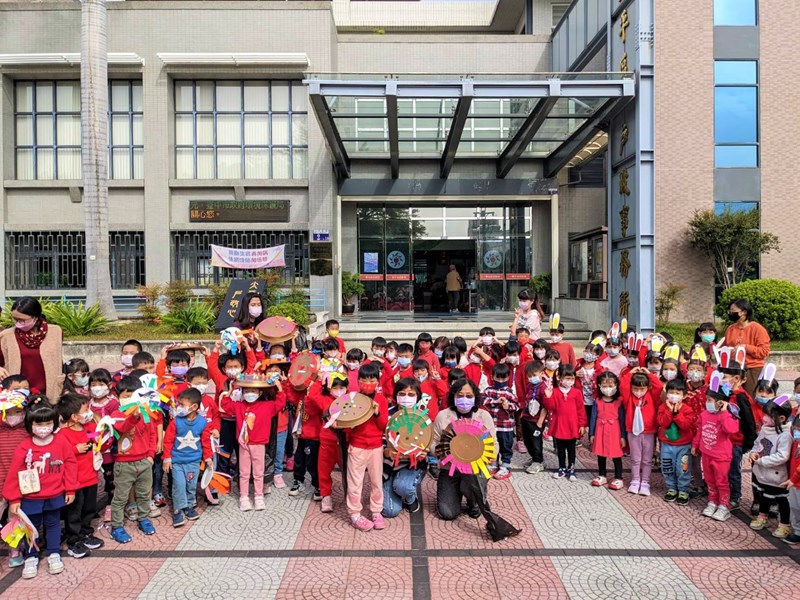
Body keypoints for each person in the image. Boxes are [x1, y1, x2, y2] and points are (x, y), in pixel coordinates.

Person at [432, 379, 520, 542]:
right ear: (453, 397)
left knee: (475, 509)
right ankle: (457, 492)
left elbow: (493, 442)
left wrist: (488, 457)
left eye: (468, 396)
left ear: (475, 397)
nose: (464, 399)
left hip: (476, 469)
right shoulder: (443, 416)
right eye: (460, 395)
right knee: (448, 513)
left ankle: (473, 500)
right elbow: (433, 443)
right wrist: (442, 452)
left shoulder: (483, 415)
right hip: (449, 469)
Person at [3, 397, 77, 579]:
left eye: (48, 423)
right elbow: (14, 473)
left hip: (54, 494)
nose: (43, 427)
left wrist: (70, 489)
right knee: (31, 527)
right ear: (30, 425)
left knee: (53, 524)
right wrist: (14, 499)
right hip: (30, 498)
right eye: (39, 424)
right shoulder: (24, 446)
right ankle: (31, 556)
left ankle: (54, 553)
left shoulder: (61, 442)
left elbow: (70, 464)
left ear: (54, 423)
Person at [221, 375, 286, 512]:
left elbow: (280, 403)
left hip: (259, 443)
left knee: (258, 471)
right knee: (244, 472)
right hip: (244, 444)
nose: (250, 394)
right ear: (242, 393)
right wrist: (231, 390)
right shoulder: (239, 406)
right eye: (246, 391)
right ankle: (243, 497)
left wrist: (279, 388)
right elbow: (225, 404)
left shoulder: (267, 406)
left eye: (254, 391)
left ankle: (258, 496)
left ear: (260, 393)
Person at [109, 379, 159, 543]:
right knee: (121, 497)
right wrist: (134, 416)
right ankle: (117, 526)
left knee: (144, 494)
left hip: (144, 461)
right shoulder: (117, 415)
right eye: (127, 395)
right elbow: (122, 428)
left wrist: (151, 455)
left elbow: (153, 435)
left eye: (134, 395)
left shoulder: (147, 413)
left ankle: (144, 518)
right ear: (119, 397)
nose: (131, 399)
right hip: (124, 463)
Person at [57, 393, 103, 558]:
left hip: (91, 476)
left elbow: (95, 440)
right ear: (74, 417)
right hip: (74, 481)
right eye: (86, 410)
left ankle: (86, 533)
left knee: (89, 508)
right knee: (74, 512)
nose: (89, 413)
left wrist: (99, 439)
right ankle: (73, 540)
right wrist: (75, 449)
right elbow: (60, 455)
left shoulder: (89, 427)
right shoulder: (62, 434)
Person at [346, 363, 388, 532]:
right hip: (357, 447)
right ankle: (355, 513)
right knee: (355, 482)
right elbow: (348, 424)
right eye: (364, 379)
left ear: (378, 381)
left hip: (376, 447)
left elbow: (384, 425)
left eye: (372, 379)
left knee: (376, 481)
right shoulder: (353, 398)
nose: (368, 383)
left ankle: (376, 511)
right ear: (358, 380)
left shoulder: (381, 400)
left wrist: (377, 413)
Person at [162, 388, 213, 527]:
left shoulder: (203, 423)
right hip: (177, 462)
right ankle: (178, 509)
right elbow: (167, 441)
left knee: (191, 485)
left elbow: (206, 442)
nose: (179, 408)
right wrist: (167, 458)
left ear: (194, 407)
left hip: (194, 462)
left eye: (182, 405)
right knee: (179, 485)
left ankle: (189, 505)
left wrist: (208, 458)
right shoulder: (176, 422)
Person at [0, 297, 64, 402]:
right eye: (15, 319)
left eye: (22, 320)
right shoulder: (6, 336)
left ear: (36, 317)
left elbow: (58, 360)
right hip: (18, 395)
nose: (18, 323)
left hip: (50, 393)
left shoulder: (56, 332)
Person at [693, 383, 740, 522]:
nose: (707, 403)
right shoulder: (704, 414)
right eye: (706, 399)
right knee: (710, 480)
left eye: (710, 400)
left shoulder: (729, 416)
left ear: (720, 403)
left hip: (721, 456)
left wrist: (725, 411)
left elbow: (730, 430)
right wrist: (695, 445)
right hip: (706, 453)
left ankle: (723, 506)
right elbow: (699, 431)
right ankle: (712, 501)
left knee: (721, 481)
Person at [382, 378, 428, 517]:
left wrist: (425, 452)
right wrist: (387, 452)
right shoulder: (387, 414)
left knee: (403, 487)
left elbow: (428, 443)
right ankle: (392, 488)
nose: (406, 398)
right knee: (390, 511)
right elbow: (379, 441)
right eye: (402, 394)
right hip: (388, 467)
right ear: (396, 395)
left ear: (418, 397)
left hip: (411, 466)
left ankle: (410, 498)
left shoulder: (423, 416)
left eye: (411, 394)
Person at [749, 397, 793, 538]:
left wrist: (762, 460)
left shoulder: (785, 435)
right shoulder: (765, 429)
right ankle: (763, 517)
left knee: (781, 499)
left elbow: (782, 456)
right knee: (763, 495)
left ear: (781, 418)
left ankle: (784, 525)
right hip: (762, 472)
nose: (765, 418)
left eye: (769, 415)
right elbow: (757, 443)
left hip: (777, 475)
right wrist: (754, 453)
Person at [621, 366, 663, 496]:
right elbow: (623, 386)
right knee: (635, 458)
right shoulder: (629, 398)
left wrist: (649, 374)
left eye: (642, 389)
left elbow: (659, 387)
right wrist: (630, 373)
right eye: (635, 388)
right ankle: (635, 480)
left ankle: (645, 482)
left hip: (649, 431)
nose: (639, 391)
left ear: (647, 388)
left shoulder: (651, 396)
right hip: (633, 431)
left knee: (647, 459)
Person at [0, 389, 30, 568]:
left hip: (20, 485)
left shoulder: (28, 432)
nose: (12, 416)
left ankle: (15, 549)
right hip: (0, 481)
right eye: (7, 412)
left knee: (15, 518)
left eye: (17, 411)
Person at [540, 365, 586, 481]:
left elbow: (581, 410)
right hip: (559, 425)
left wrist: (582, 424)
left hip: (572, 426)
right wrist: (548, 396)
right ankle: (561, 468)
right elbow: (550, 407)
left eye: (572, 378)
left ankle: (571, 469)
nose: (570, 381)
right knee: (560, 449)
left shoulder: (576, 393)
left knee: (571, 449)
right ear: (559, 377)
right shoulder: (554, 391)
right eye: (567, 378)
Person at [657, 380, 695, 505]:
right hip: (667, 445)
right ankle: (671, 488)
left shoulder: (687, 409)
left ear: (684, 395)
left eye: (677, 393)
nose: (674, 395)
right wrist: (669, 411)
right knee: (667, 467)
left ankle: (683, 490)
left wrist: (677, 413)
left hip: (683, 446)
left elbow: (685, 425)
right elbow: (663, 423)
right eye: (671, 392)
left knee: (683, 468)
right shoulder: (663, 407)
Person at [723, 299, 771, 398]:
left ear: (744, 312)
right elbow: (726, 347)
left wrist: (746, 347)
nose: (731, 313)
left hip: (752, 368)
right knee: (732, 396)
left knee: (749, 397)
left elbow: (764, 352)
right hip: (734, 368)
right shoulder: (730, 329)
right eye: (730, 310)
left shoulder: (757, 329)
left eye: (733, 310)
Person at [482, 363, 519, 480]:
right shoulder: (488, 390)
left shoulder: (509, 392)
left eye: (503, 378)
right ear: (492, 377)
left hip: (505, 427)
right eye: (498, 378)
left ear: (508, 378)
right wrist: (496, 401)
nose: (500, 381)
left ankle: (505, 465)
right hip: (492, 426)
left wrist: (508, 406)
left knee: (506, 446)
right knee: (492, 444)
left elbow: (517, 406)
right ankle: (493, 463)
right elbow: (483, 401)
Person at [590, 372, 626, 490]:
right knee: (601, 454)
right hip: (600, 429)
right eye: (605, 386)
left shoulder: (619, 401)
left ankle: (618, 477)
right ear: (599, 386)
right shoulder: (597, 401)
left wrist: (623, 436)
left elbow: (622, 419)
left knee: (616, 455)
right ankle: (602, 475)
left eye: (611, 386)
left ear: (616, 385)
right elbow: (593, 417)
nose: (608, 389)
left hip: (615, 430)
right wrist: (592, 433)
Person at [782, 416, 800, 545]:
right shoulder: (795, 442)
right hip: (793, 483)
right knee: (795, 507)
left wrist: (793, 479)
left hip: (795, 481)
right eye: (796, 429)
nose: (797, 432)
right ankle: (798, 531)